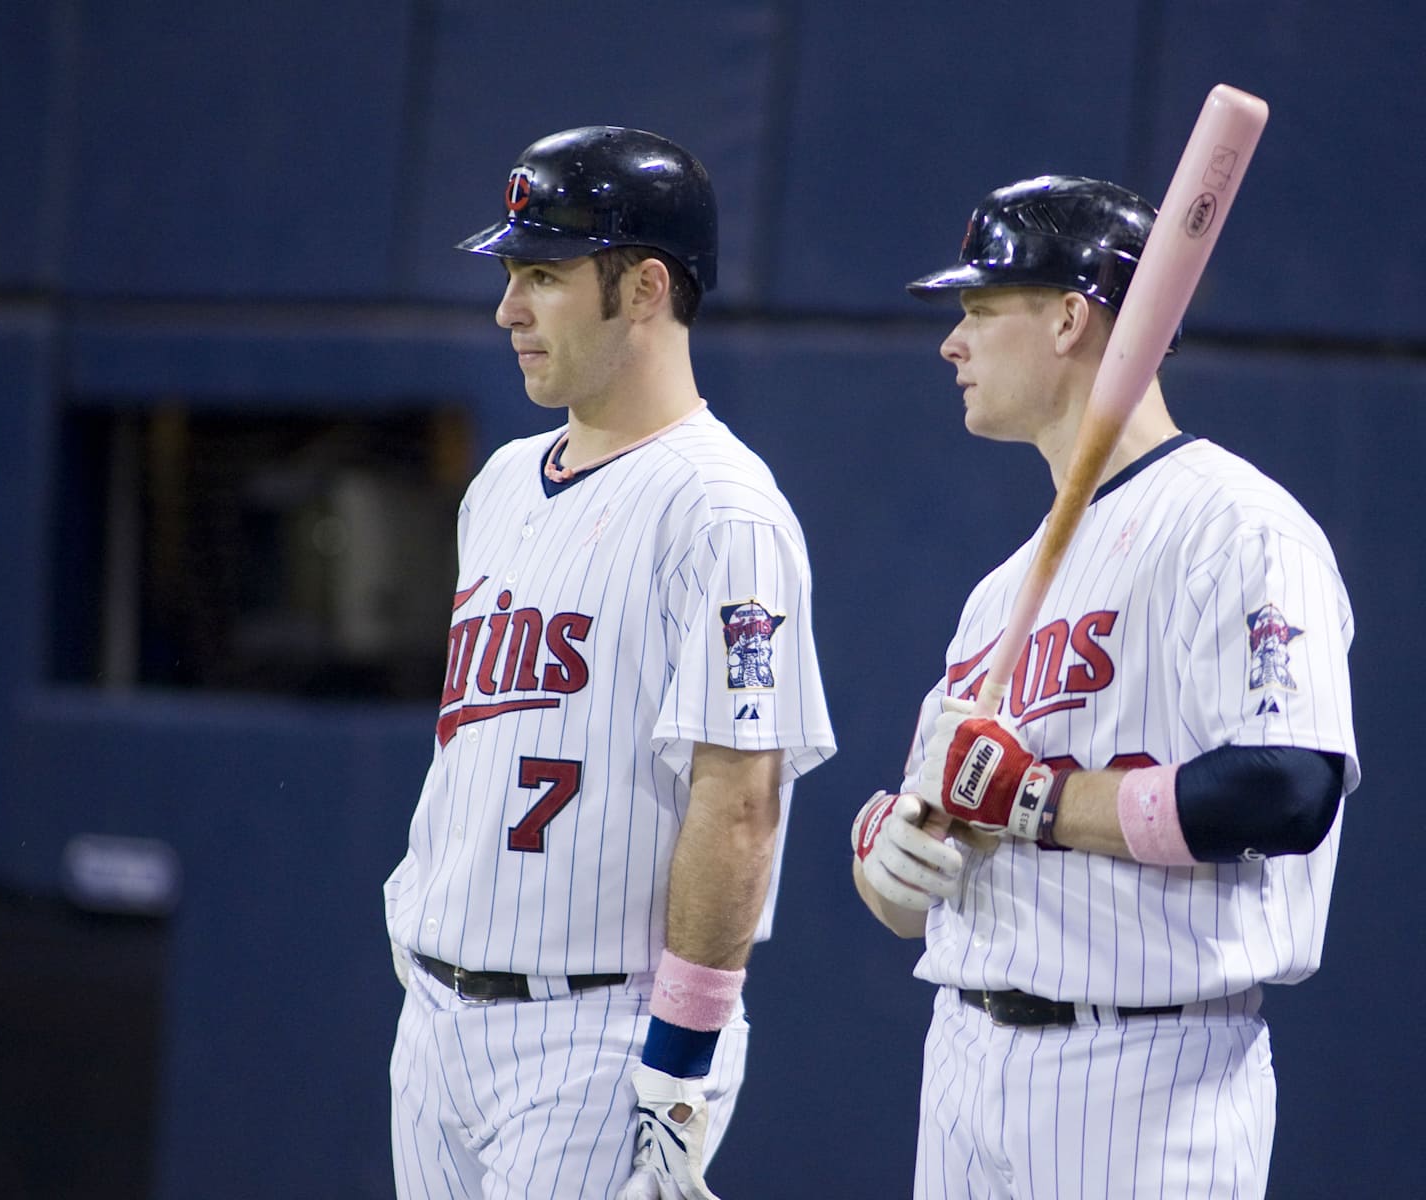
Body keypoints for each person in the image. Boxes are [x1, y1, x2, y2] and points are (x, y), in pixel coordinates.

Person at [850, 175, 1360, 1198]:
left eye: (982, 310)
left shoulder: (1234, 526)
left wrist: (1036, 800)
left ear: (1071, 317)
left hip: (1145, 1075)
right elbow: (949, 826)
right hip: (963, 1053)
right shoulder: (998, 594)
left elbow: (1287, 789)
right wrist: (893, 858)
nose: (953, 343)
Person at [384, 125, 835, 1200]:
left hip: (593, 1036)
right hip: (436, 1018)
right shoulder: (498, 482)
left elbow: (740, 804)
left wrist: (679, 1065)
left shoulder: (723, 510)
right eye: (511, 276)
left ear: (642, 287)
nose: (508, 311)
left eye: (541, 275)